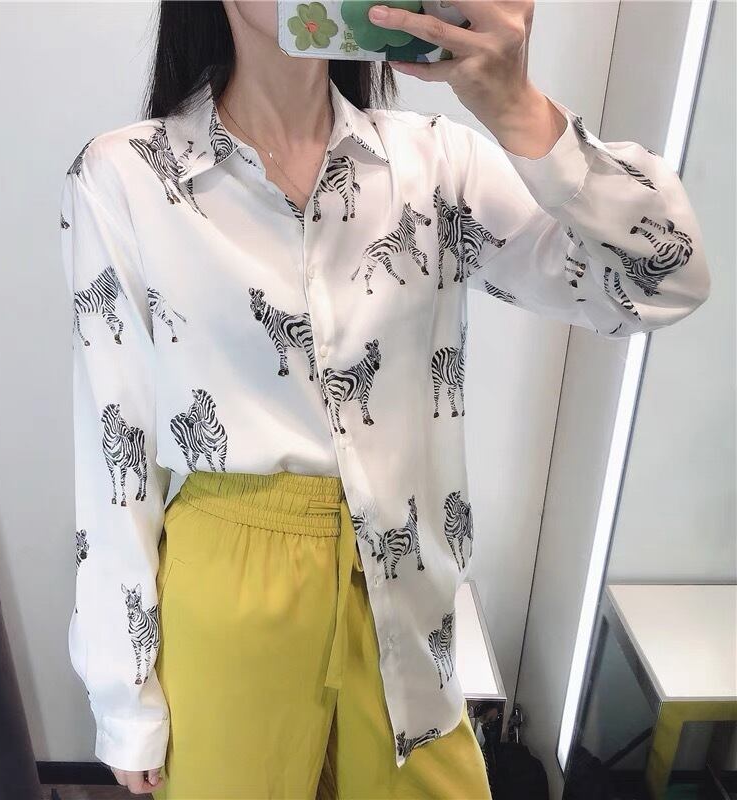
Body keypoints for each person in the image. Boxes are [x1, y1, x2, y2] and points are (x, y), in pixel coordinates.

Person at [59, 1, 710, 797]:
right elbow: (115, 446)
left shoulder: (434, 165)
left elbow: (662, 282)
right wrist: (122, 694)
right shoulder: (127, 175)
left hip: (405, 578)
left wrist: (518, 107)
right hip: (227, 581)